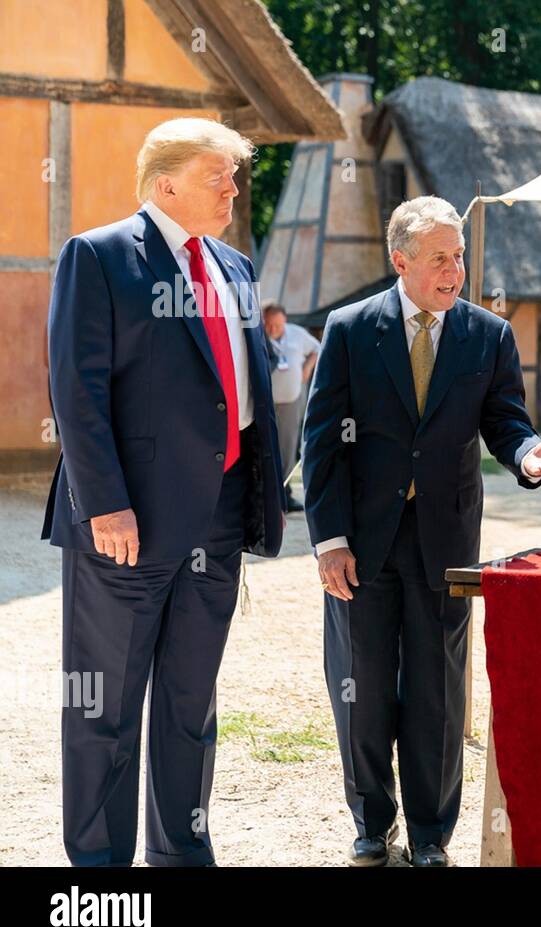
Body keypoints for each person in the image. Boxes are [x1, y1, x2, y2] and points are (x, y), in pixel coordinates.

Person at [44, 117, 284, 866]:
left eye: (235, 177)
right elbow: (76, 392)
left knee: (189, 704)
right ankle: (100, 872)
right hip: (128, 522)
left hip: (218, 519)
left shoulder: (236, 268)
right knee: (105, 710)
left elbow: (241, 387)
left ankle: (182, 854)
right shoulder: (99, 256)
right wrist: (105, 502)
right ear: (165, 181)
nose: (233, 191)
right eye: (220, 176)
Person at [302, 195, 541, 866]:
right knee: (361, 685)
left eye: (461, 257)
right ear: (402, 261)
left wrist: (525, 454)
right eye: (442, 258)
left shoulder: (488, 335)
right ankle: (370, 821)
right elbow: (322, 442)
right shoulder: (351, 329)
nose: (456, 271)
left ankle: (429, 834)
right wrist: (329, 539)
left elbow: (507, 420)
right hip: (362, 543)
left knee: (437, 693)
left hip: (445, 544)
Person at [263, 301, 320, 511]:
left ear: (284, 321)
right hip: (266, 402)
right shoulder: (259, 335)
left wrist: (307, 368)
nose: (274, 330)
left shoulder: (296, 334)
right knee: (266, 448)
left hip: (291, 400)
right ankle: (267, 495)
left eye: (278, 325)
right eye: (270, 325)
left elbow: (317, 348)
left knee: (288, 449)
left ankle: (285, 494)